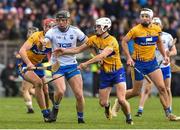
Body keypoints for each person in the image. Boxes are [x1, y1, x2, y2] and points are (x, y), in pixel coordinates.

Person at [53, 17, 133, 125]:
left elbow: (101, 56)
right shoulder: (93, 39)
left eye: (99, 26)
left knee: (121, 99)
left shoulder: (112, 41)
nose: (96, 28)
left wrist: (85, 64)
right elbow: (77, 49)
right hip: (105, 74)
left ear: (106, 27)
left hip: (117, 72)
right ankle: (107, 107)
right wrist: (64, 51)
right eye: (96, 26)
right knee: (102, 102)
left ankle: (129, 119)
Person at [111, 8, 178, 121]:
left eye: (147, 16)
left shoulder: (156, 29)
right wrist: (128, 57)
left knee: (162, 88)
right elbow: (123, 41)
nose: (144, 18)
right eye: (142, 16)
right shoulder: (135, 30)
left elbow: (159, 43)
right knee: (136, 92)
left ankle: (169, 114)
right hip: (138, 64)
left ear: (151, 18)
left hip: (152, 63)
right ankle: (120, 99)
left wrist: (165, 56)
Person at [44, 10, 88, 123]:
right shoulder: (52, 31)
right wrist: (43, 42)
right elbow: (46, 40)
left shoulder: (75, 31)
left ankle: (80, 118)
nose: (61, 22)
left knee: (79, 94)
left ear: (68, 20)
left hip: (72, 65)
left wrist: (96, 56)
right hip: (57, 66)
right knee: (61, 91)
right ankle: (56, 107)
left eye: (64, 20)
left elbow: (88, 42)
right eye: (59, 20)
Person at [135, 17, 177, 117]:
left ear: (161, 25)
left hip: (164, 66)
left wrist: (169, 53)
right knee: (146, 88)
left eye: (158, 24)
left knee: (166, 89)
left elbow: (174, 51)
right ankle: (140, 110)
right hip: (152, 65)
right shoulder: (148, 35)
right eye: (154, 24)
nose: (156, 25)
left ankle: (169, 110)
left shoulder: (168, 36)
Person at [18, 18, 56, 122]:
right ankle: (45, 114)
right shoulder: (35, 36)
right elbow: (21, 51)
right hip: (25, 64)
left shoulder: (54, 39)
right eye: (48, 26)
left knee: (46, 89)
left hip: (38, 65)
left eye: (53, 27)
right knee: (37, 83)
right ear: (44, 27)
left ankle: (49, 111)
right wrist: (29, 63)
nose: (51, 29)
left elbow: (57, 54)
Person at [16, 26, 39, 114]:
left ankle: (30, 108)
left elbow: (29, 55)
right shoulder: (30, 42)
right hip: (31, 67)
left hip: (31, 68)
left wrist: (20, 56)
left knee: (25, 90)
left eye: (31, 32)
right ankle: (31, 105)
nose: (28, 34)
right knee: (28, 89)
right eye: (28, 32)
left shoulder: (33, 42)